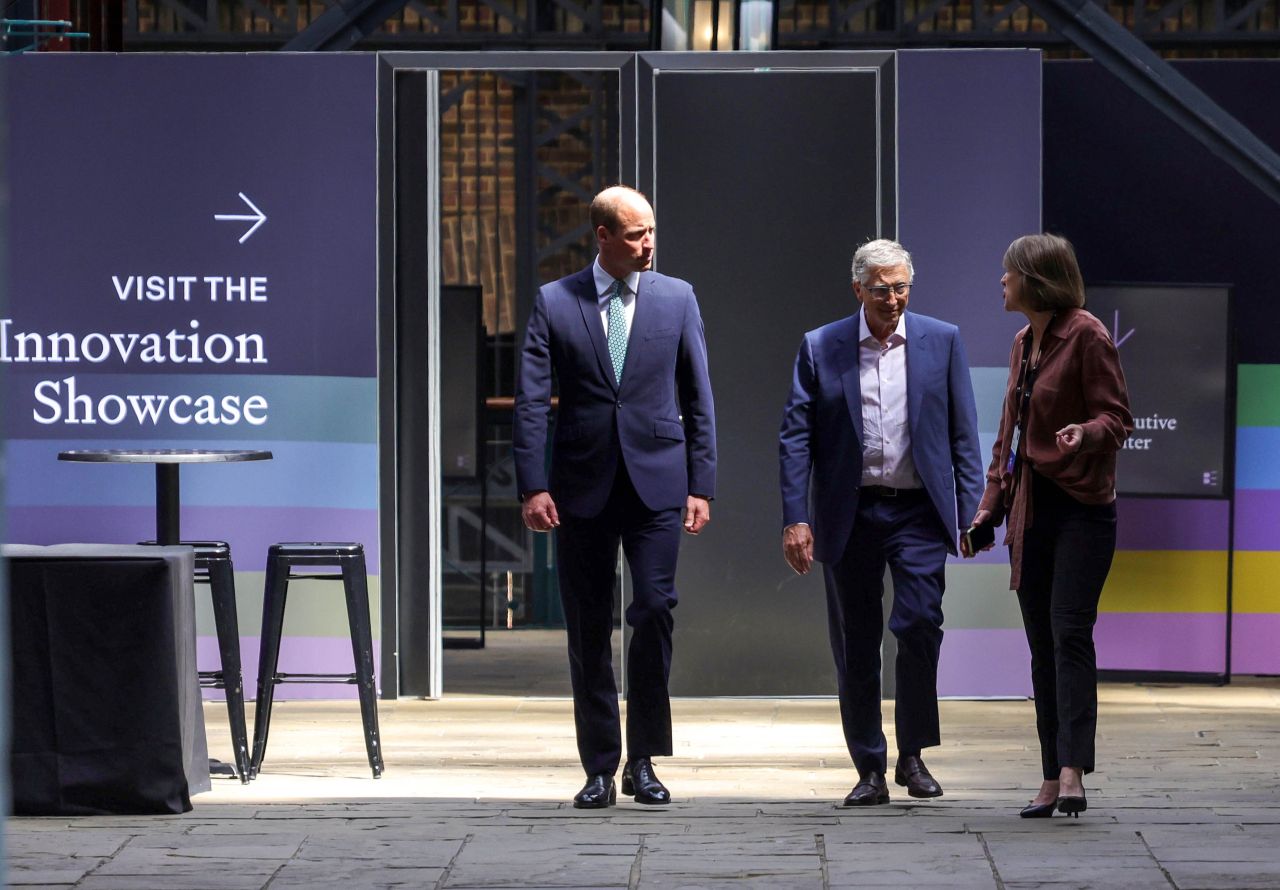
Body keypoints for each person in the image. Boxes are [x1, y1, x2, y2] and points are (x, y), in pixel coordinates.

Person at [513, 185, 716, 809]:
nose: (648, 242)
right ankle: (600, 765)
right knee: (588, 627)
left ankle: (645, 761)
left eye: (651, 230)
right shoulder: (555, 301)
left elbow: (697, 394)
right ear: (602, 235)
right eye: (635, 233)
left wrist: (701, 484)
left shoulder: (676, 298)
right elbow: (530, 402)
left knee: (654, 610)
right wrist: (533, 484)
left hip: (658, 480)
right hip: (580, 485)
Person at [778, 238, 984, 806]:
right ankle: (868, 767)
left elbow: (964, 436)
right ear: (857, 291)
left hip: (917, 511)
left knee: (919, 626)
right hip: (850, 512)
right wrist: (796, 518)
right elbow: (795, 439)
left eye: (901, 288)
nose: (893, 299)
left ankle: (912, 755)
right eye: (881, 289)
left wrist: (971, 512)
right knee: (856, 642)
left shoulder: (940, 340)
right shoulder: (822, 347)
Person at [964, 233, 1132, 819]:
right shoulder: (1021, 342)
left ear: (1036, 280)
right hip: (1030, 510)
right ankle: (1048, 774)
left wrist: (1083, 433)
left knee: (1068, 634)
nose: (1002, 283)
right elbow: (1007, 439)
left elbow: (1117, 417)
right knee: (1041, 646)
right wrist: (989, 509)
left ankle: (1072, 771)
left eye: (1009, 274)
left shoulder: (1086, 333)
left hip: (1081, 508)